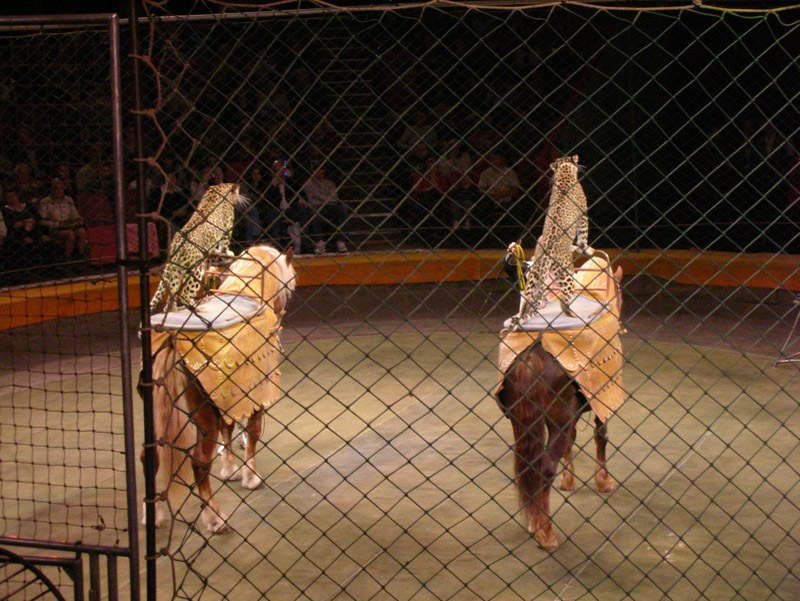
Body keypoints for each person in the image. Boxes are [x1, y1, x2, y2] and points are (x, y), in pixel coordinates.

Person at [302, 166, 349, 254]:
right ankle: (319, 241)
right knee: (314, 211)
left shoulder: (330, 183)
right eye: (318, 171)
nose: (321, 173)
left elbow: (334, 198)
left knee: (343, 209)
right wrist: (327, 196)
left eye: (322, 172)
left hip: (330, 206)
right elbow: (310, 197)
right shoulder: (308, 183)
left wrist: (318, 196)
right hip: (316, 206)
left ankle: (341, 241)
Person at [38, 178, 88, 260]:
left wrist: (79, 219)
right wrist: (57, 224)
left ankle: (80, 256)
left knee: (82, 232)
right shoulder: (45, 202)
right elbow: (42, 220)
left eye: (61, 188)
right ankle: (67, 258)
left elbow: (75, 215)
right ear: (51, 189)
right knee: (70, 234)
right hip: (55, 228)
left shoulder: (68, 199)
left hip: (69, 225)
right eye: (56, 189)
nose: (59, 191)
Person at [2, 188, 50, 266]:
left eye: (13, 196)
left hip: (35, 230)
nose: (12, 199)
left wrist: (33, 220)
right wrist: (24, 221)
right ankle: (29, 266)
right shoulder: (5, 210)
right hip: (18, 234)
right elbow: (11, 224)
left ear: (17, 196)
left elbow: (37, 217)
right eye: (8, 197)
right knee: (27, 241)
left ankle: (47, 264)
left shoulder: (28, 206)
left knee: (45, 239)